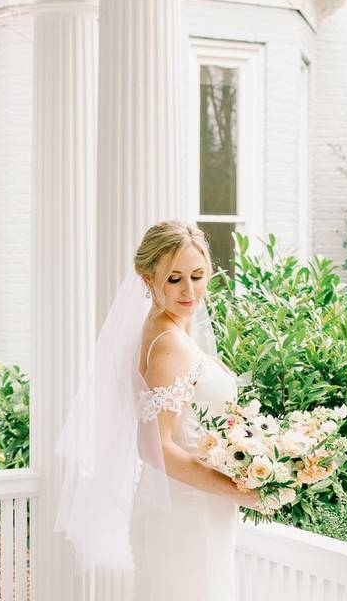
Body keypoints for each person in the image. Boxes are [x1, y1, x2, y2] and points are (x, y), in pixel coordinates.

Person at [54, 220, 262, 600]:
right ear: (148, 279)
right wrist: (238, 490)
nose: (189, 290)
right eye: (174, 279)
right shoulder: (168, 343)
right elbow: (155, 447)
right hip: (186, 514)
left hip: (196, 510)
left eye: (197, 276)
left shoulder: (169, 330)